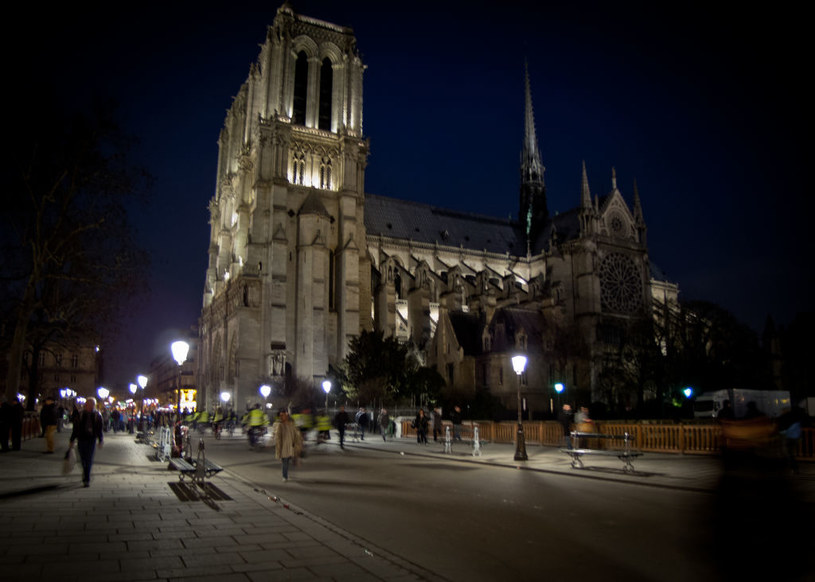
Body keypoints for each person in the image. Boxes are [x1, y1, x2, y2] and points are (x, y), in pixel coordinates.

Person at [69, 398, 104, 487]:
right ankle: (85, 472)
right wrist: (72, 440)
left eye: (92, 404)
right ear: (86, 404)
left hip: (91, 440)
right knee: (82, 458)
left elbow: (99, 429)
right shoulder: (80, 414)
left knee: (89, 459)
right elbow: (75, 428)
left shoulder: (97, 415)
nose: (90, 406)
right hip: (81, 439)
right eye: (89, 404)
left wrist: (100, 440)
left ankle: (86, 478)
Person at [272, 410, 303, 482]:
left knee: (289, 460)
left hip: (292, 446)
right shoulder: (280, 425)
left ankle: (288, 472)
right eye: (281, 415)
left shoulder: (291, 425)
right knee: (285, 461)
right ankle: (284, 476)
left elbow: (296, 434)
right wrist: (279, 449)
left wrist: (299, 442)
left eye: (283, 415)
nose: (282, 417)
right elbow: (278, 437)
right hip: (284, 447)